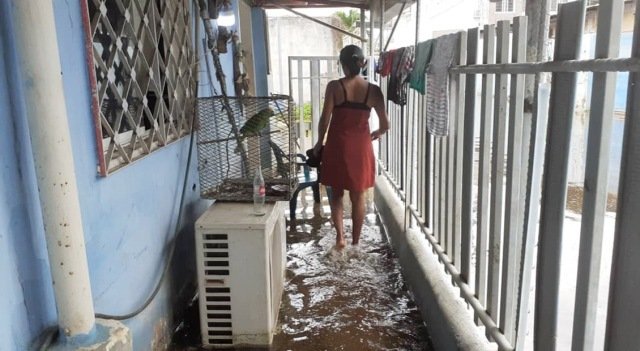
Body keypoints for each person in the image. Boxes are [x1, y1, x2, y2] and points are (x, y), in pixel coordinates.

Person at [313, 44, 389, 249]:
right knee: (358, 196)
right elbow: (385, 124)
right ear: (362, 63)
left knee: (336, 194)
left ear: (343, 65)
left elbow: (324, 120)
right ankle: (356, 242)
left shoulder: (334, 87)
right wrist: (377, 133)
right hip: (361, 150)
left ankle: (340, 238)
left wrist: (320, 143)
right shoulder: (373, 90)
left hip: (337, 147)